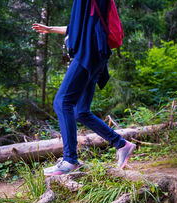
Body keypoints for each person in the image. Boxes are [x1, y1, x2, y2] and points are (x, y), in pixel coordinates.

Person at [32, 0, 136, 176]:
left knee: (62, 102)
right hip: (96, 54)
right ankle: (121, 145)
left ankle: (70, 160)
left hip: (89, 53)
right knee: (81, 111)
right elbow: (79, 27)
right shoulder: (85, 6)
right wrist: (50, 29)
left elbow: (86, 29)